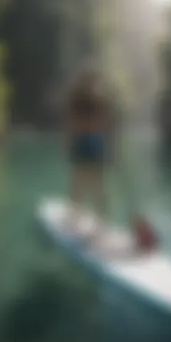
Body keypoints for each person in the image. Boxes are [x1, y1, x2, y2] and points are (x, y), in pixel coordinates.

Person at [63, 70, 113, 238]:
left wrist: (68, 142)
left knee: (79, 182)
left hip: (85, 141)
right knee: (97, 184)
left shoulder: (79, 99)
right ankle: (101, 222)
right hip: (95, 141)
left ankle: (75, 219)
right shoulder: (98, 98)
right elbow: (104, 123)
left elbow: (72, 123)